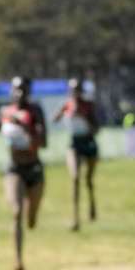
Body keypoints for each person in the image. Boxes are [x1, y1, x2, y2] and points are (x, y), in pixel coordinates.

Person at [0, 77, 47, 270]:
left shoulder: (35, 112)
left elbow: (43, 142)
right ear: (11, 91)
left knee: (30, 220)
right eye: (16, 90)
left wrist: (24, 127)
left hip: (34, 169)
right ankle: (18, 261)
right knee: (16, 212)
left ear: (29, 91)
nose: (19, 93)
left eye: (23, 90)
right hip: (14, 169)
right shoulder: (5, 112)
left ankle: (32, 216)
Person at [53, 79, 100, 231]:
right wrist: (62, 113)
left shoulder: (88, 105)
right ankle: (76, 218)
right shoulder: (67, 104)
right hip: (74, 144)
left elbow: (96, 129)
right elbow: (54, 119)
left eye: (78, 89)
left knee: (88, 179)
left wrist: (83, 116)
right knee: (75, 178)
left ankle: (92, 203)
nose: (75, 93)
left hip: (89, 142)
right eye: (73, 90)